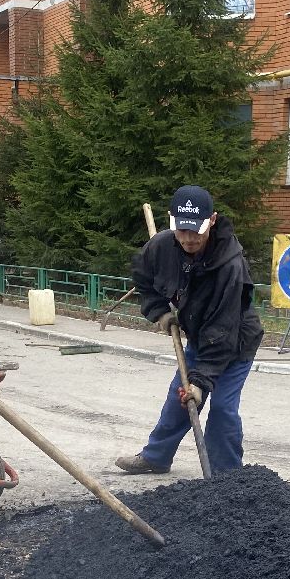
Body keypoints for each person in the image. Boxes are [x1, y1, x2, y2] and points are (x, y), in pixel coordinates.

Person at [115, 185, 263, 476]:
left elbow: (222, 330)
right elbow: (143, 281)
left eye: (196, 230)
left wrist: (201, 381)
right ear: (172, 222)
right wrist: (160, 313)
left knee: (221, 408)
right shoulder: (160, 247)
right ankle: (156, 457)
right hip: (199, 336)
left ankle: (227, 474)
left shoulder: (229, 265)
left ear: (213, 220)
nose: (189, 238)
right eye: (182, 230)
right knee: (178, 398)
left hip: (235, 342)